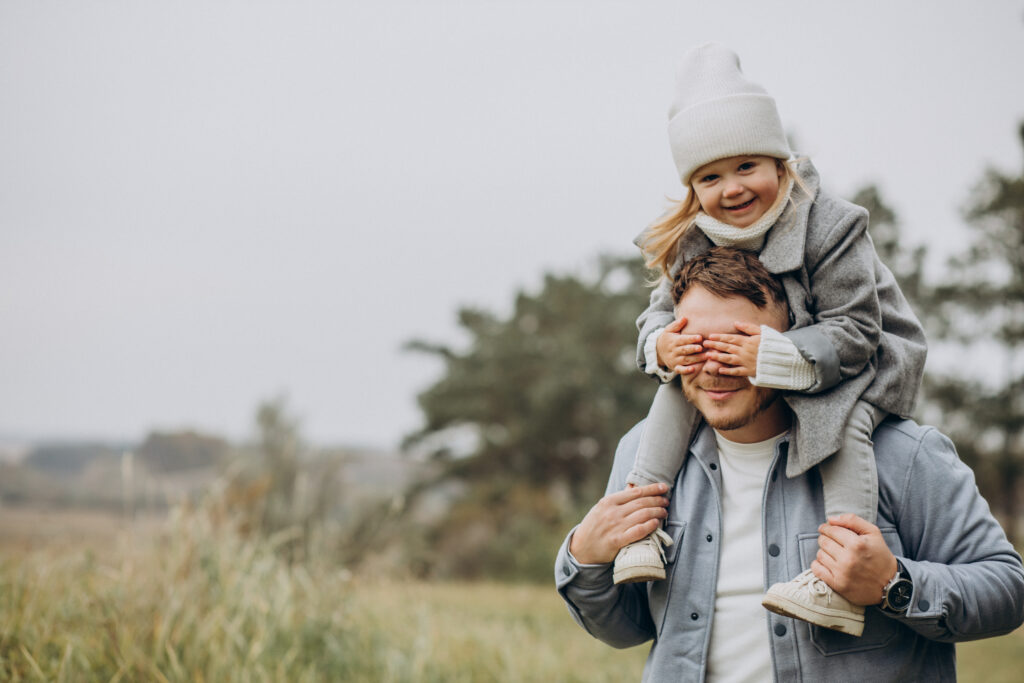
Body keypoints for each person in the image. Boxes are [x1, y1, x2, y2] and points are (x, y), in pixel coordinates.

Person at [556, 248, 1024, 681]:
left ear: (788, 348)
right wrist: (586, 556)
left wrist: (893, 584)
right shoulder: (642, 455)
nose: (714, 367)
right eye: (695, 344)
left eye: (735, 344)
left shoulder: (901, 453)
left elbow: (1007, 587)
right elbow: (626, 629)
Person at [611, 42, 928, 638]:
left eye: (746, 167)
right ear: (692, 188)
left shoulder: (829, 223)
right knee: (686, 378)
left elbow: (858, 331)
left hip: (867, 358)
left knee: (840, 415)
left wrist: (776, 356)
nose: (731, 188)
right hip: (768, 357)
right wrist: (663, 348)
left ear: (779, 163)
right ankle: (642, 530)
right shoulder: (695, 237)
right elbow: (655, 316)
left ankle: (839, 573)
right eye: (710, 176)